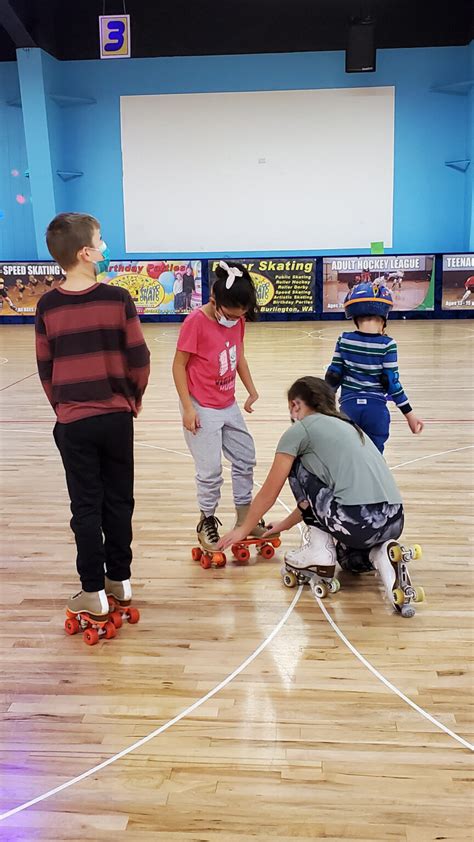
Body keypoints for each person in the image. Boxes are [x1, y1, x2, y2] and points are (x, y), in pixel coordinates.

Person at [35, 213, 150, 625]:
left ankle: (93, 591)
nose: (104, 247)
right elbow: (139, 358)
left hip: (74, 421)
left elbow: (45, 367)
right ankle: (119, 580)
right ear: (86, 253)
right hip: (116, 417)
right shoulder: (118, 299)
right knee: (119, 500)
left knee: (85, 505)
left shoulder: (48, 305)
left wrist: (62, 407)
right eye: (100, 241)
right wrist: (132, 398)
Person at [218, 376, 407, 601]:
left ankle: (319, 550)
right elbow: (322, 498)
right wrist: (286, 524)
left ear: (295, 405)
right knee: (348, 560)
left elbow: (270, 492)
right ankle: (381, 554)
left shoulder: (300, 431)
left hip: (357, 521)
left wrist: (243, 529)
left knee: (296, 463)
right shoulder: (349, 425)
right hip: (394, 520)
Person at [172, 259, 273, 554]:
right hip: (201, 405)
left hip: (228, 403)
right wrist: (188, 408)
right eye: (229, 314)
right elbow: (178, 366)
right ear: (214, 300)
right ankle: (206, 520)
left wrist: (251, 390)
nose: (234, 319)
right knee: (210, 470)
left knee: (245, 457)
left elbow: (238, 356)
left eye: (240, 315)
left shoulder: (238, 320)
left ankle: (245, 518)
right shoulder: (195, 322)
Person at [325, 281, 424, 453]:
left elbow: (333, 376)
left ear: (354, 316)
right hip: (376, 410)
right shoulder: (388, 344)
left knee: (348, 456)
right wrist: (409, 414)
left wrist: (322, 409)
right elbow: (391, 383)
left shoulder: (344, 339)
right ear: (384, 316)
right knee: (374, 458)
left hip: (349, 408)